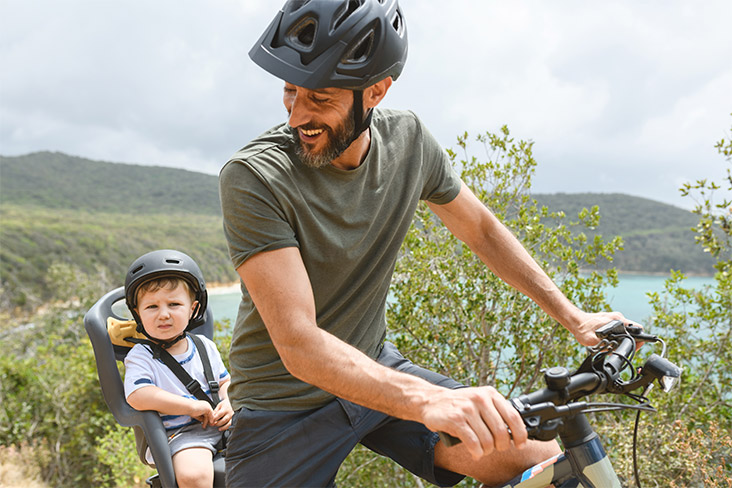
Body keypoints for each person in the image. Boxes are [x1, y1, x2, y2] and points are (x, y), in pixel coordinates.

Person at [218, 1, 629, 486]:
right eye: (290, 92)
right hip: (282, 405)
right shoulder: (254, 178)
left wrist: (572, 315)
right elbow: (299, 343)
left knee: (538, 456)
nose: (297, 117)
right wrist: (428, 400)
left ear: (375, 90)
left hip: (374, 367)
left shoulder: (408, 140)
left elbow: (481, 229)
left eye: (321, 99)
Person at [122, 250, 234, 488]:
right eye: (151, 307)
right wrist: (190, 406)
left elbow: (225, 382)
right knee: (194, 476)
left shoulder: (204, 346)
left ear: (193, 308)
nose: (164, 314)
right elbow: (138, 395)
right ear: (137, 313)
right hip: (181, 435)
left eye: (174, 304)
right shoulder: (141, 356)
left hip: (222, 426)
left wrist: (228, 402)